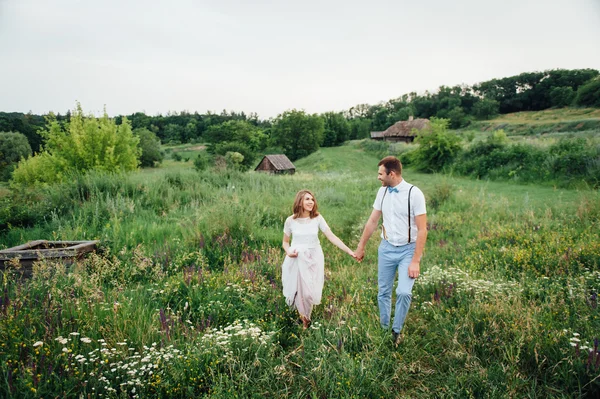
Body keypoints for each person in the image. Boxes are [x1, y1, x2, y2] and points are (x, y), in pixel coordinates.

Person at [354, 156, 427, 344]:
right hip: (386, 248)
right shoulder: (382, 192)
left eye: (380, 174)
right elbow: (372, 221)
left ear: (391, 174)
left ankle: (396, 331)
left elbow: (422, 229)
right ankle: (385, 328)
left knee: (403, 292)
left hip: (407, 250)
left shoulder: (414, 193)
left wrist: (415, 260)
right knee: (383, 291)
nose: (378, 177)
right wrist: (361, 247)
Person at [281, 189, 355, 329]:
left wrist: (349, 251)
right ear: (299, 201)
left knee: (309, 292)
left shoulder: (317, 218)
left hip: (314, 257)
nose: (311, 202)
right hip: (297, 258)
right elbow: (285, 242)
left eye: (312, 199)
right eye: (307, 199)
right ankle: (304, 320)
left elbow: (331, 236)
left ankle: (306, 316)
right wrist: (289, 251)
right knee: (298, 291)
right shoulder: (290, 221)